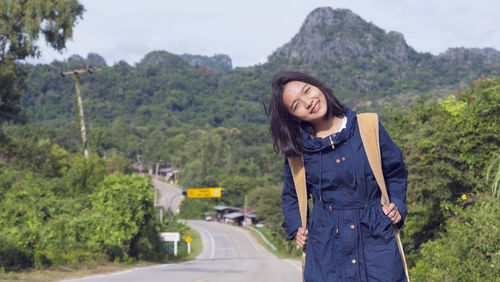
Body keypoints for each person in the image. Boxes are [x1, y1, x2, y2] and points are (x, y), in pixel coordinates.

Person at [268, 71, 408, 281]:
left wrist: (397, 204)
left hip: (377, 240)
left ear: (318, 86)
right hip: (326, 249)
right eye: (296, 105)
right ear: (293, 117)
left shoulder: (367, 126)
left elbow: (395, 171)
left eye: (307, 91)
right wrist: (297, 226)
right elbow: (292, 195)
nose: (308, 102)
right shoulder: (298, 152)